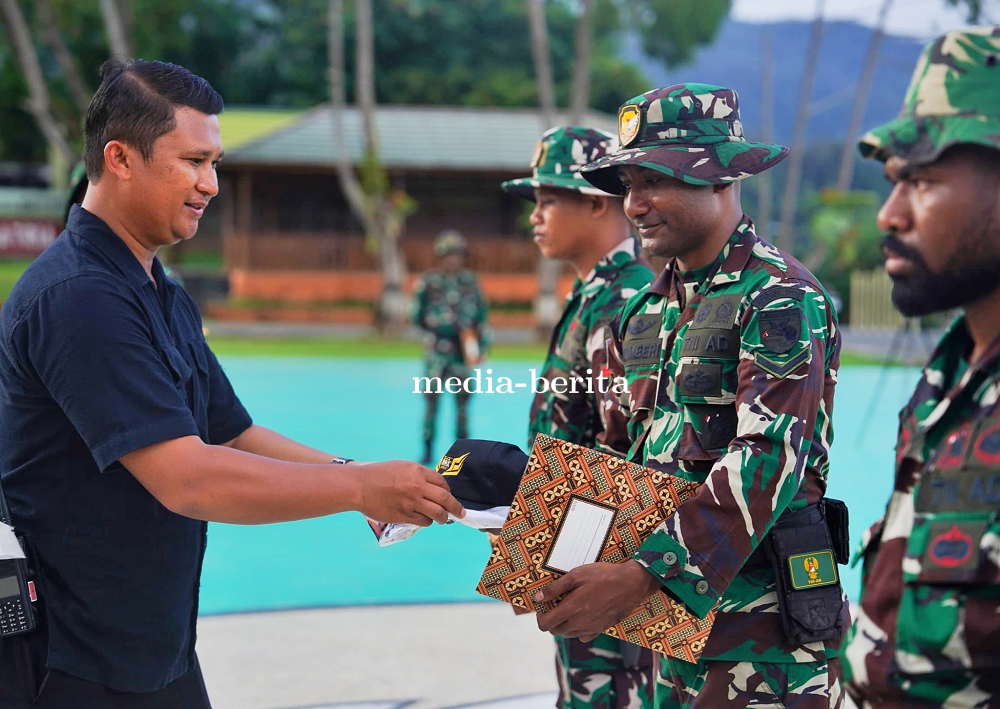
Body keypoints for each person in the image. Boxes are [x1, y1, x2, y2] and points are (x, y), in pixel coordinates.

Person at [0, 58, 463, 709]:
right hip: (73, 659)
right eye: (192, 161)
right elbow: (189, 477)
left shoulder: (158, 290)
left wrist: (358, 481)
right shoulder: (80, 297)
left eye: (214, 162)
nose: (210, 184)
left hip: (151, 649)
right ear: (120, 159)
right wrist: (358, 485)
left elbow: (231, 433)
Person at [530, 84, 849, 708]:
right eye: (626, 184)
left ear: (721, 176)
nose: (635, 204)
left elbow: (766, 460)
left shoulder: (778, 296)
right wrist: (558, 560)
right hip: (665, 633)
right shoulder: (646, 311)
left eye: (654, 180)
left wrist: (644, 574)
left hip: (763, 643)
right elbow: (618, 460)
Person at [840, 27, 1000, 709]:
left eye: (923, 180)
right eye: (893, 182)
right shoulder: (948, 380)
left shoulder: (767, 299)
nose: (889, 213)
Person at [501, 126, 657, 709]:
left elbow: (626, 456)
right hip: (574, 542)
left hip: (602, 557)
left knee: (609, 694)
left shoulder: (626, 300)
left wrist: (545, 552)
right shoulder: (599, 292)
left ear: (596, 202)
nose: (535, 216)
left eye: (547, 200)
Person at [412, 230, 489, 466]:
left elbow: (481, 317)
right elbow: (416, 315)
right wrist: (441, 325)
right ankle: (427, 451)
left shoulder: (470, 281)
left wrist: (480, 346)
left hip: (461, 354)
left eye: (457, 254)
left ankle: (462, 456)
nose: (454, 259)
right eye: (449, 254)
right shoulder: (429, 281)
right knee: (431, 405)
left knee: (463, 407)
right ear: (440, 256)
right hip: (437, 352)